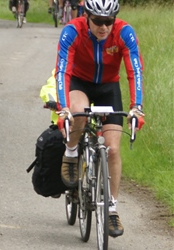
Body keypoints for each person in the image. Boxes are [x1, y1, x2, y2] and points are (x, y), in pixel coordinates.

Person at [54, 0, 145, 238]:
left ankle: (112, 208)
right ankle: (72, 153)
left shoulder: (124, 32)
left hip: (108, 87)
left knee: (113, 149)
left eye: (109, 21)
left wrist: (137, 107)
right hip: (79, 83)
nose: (103, 27)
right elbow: (62, 70)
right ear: (87, 16)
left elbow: (134, 70)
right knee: (80, 113)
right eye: (98, 21)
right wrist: (63, 109)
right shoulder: (72, 31)